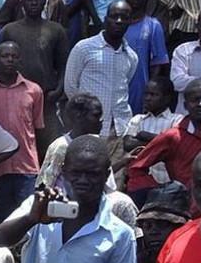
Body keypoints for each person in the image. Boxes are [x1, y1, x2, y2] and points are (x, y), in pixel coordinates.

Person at [0, 135, 143, 263]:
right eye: (76, 173)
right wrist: (31, 219)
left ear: (106, 174)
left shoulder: (119, 235)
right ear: (63, 172)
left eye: (92, 174)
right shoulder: (38, 207)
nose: (83, 181)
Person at [127, 78, 201, 205]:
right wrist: (160, 194)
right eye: (195, 100)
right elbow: (136, 168)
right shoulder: (173, 137)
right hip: (187, 213)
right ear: (186, 105)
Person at [36, 93, 142, 230]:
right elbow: (44, 183)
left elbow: (105, 181)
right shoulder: (61, 146)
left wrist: (122, 162)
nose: (101, 121)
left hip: (95, 204)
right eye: (96, 116)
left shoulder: (95, 145)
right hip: (64, 210)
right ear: (79, 117)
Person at [0, 41, 46, 221]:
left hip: (27, 165)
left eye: (14, 56)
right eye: (5, 56)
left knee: (29, 217)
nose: (10, 60)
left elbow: (38, 129)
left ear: (20, 61)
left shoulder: (34, 90)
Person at [0, 0, 70, 154]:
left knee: (49, 147)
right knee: (17, 145)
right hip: (16, 97)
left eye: (38, 0)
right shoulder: (10, 30)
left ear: (44, 2)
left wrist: (59, 89)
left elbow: (64, 64)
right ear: (22, 2)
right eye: (30, 0)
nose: (34, 3)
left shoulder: (55, 30)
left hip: (46, 99)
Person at [64, 1, 138, 146]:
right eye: (114, 17)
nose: (118, 21)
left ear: (130, 21)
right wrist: (86, 117)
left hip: (120, 128)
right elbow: (71, 88)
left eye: (124, 17)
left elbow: (126, 84)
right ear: (105, 18)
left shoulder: (131, 56)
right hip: (89, 129)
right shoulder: (84, 48)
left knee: (116, 169)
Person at [122, 0, 171, 117]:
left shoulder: (153, 25)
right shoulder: (116, 23)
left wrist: (149, 94)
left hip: (138, 88)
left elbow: (158, 63)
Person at [123, 77, 182, 152]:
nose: (147, 98)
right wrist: (160, 143)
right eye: (146, 94)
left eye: (153, 95)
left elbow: (175, 144)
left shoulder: (176, 120)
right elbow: (128, 144)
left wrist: (146, 136)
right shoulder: (138, 119)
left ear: (167, 98)